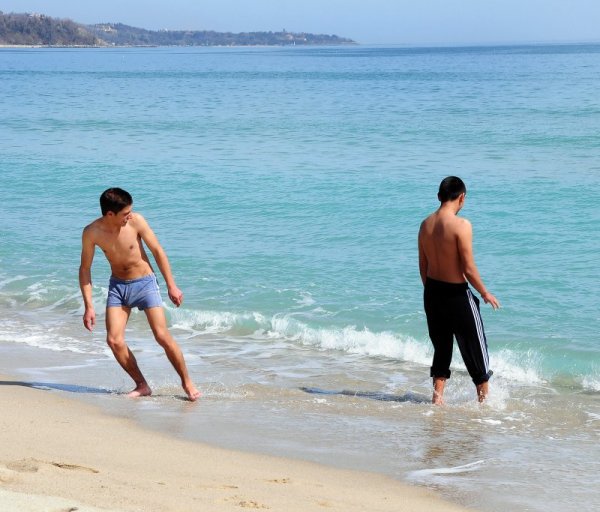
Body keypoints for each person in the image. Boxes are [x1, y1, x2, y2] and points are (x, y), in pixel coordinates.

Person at [79, 188, 201, 401]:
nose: (130, 215)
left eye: (130, 211)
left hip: (145, 284)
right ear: (110, 214)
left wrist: (172, 285)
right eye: (125, 213)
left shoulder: (136, 222)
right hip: (118, 287)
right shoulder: (92, 232)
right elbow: (85, 269)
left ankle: (187, 382)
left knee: (162, 336)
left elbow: (157, 251)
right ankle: (142, 385)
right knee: (114, 340)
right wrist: (88, 305)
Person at [418, 176, 499, 405]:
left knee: (442, 347)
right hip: (457, 296)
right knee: (476, 350)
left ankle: (437, 399)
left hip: (432, 293)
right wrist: (485, 293)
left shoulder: (425, 225)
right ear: (461, 197)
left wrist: (433, 294)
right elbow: (468, 268)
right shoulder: (462, 225)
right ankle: (484, 405)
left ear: (439, 197)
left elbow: (423, 266)